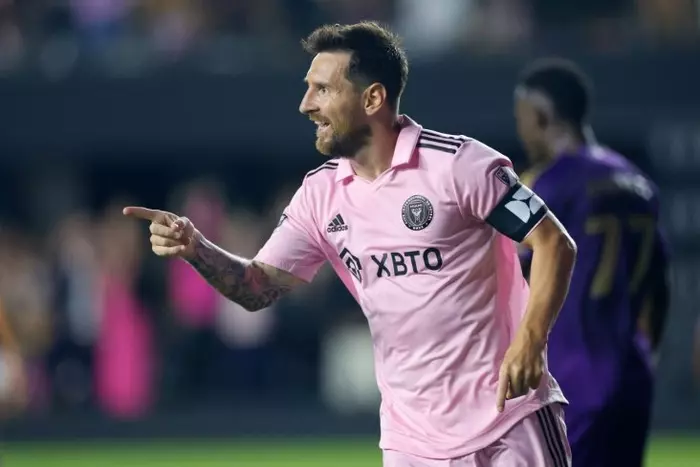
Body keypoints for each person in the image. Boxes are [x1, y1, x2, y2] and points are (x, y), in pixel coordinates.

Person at [125, 22, 576, 467]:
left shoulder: (460, 165)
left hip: (508, 421)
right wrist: (196, 247)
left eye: (322, 89)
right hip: (412, 443)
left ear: (372, 98)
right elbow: (255, 287)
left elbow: (554, 243)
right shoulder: (320, 195)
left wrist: (530, 341)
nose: (305, 105)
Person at [515, 58, 670, 467]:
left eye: (523, 119)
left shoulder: (545, 184)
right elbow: (659, 286)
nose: (521, 130)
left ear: (540, 116)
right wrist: (642, 353)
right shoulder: (638, 182)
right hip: (633, 372)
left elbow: (511, 267)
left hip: (572, 372)